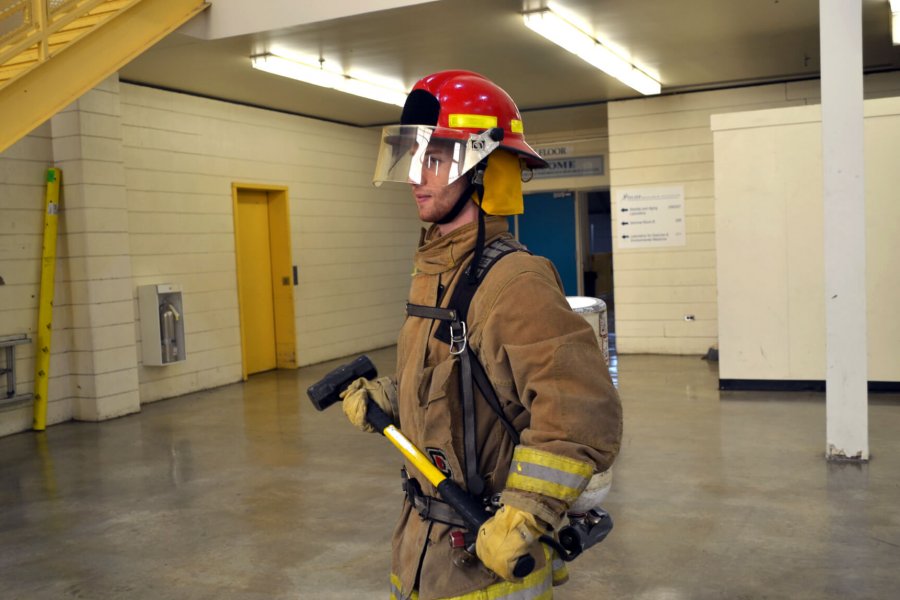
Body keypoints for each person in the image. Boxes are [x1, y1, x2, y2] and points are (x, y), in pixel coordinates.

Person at [341, 70, 622, 600]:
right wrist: (393, 397)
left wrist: (526, 513)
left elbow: (582, 411)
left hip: (487, 563)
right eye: (414, 154)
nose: (414, 175)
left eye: (436, 156)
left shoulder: (516, 281)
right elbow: (458, 381)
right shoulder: (435, 272)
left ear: (483, 169)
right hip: (425, 551)